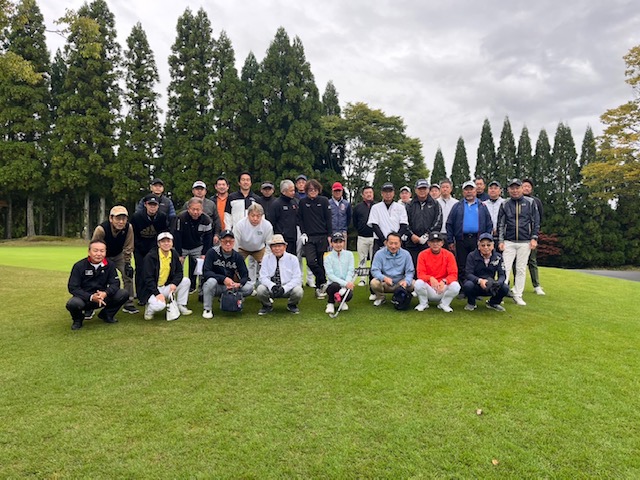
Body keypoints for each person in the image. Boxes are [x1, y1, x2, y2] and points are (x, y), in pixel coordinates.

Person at [66, 240, 128, 330]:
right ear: (89, 252)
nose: (99, 254)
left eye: (102, 251)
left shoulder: (110, 265)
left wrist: (105, 293)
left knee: (123, 293)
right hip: (85, 299)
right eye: (95, 251)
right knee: (73, 303)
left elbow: (115, 283)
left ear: (105, 252)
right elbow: (73, 287)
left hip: (102, 297)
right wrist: (91, 297)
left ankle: (106, 315)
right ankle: (78, 320)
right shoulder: (79, 266)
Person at [498, 178, 540, 306]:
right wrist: (501, 240)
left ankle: (518, 295)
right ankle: (500, 295)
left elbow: (535, 222)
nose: (515, 190)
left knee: (521, 269)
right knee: (505, 269)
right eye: (512, 188)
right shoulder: (505, 204)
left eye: (517, 188)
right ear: (508, 190)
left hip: (525, 241)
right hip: (509, 241)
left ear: (521, 189)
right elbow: (501, 224)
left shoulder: (530, 202)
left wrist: (534, 238)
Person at [91, 205, 138, 314]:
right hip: (103, 256)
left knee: (128, 274)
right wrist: (96, 263)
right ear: (111, 218)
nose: (121, 222)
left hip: (119, 255)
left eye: (124, 219)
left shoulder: (128, 228)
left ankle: (128, 302)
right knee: (97, 277)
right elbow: (94, 247)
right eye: (118, 218)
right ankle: (92, 304)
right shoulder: (101, 229)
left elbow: (128, 246)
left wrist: (127, 263)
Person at [446, 180, 492, 285]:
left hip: (478, 240)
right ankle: (463, 287)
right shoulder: (457, 206)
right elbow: (449, 224)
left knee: (477, 263)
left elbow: (489, 224)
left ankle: (477, 286)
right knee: (462, 264)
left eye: (471, 189)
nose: (469, 192)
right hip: (461, 239)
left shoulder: (482, 206)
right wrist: (450, 241)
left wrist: (486, 240)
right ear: (463, 192)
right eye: (466, 190)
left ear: (475, 191)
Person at [139, 232, 193, 320]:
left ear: (172, 243)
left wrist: (174, 283)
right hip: (151, 289)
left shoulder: (174, 254)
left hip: (166, 286)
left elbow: (179, 272)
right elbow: (147, 278)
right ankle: (149, 309)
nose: (166, 244)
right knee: (160, 306)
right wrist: (157, 293)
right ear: (158, 244)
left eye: (168, 241)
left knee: (186, 281)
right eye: (163, 241)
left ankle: (181, 305)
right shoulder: (150, 257)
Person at [201, 230, 253, 319]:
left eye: (230, 241)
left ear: (234, 242)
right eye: (225, 241)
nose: (228, 244)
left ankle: (230, 298)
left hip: (230, 286)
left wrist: (239, 284)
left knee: (249, 287)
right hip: (216, 285)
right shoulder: (212, 252)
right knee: (211, 282)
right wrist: (223, 279)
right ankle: (207, 309)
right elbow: (206, 272)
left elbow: (245, 275)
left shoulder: (237, 256)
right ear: (220, 242)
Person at [130, 194, 169, 302]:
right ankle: (141, 296)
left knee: (154, 271)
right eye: (150, 204)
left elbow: (163, 232)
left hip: (154, 249)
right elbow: (133, 234)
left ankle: (152, 293)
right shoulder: (137, 217)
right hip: (139, 249)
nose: (152, 207)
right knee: (140, 270)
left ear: (158, 206)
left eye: (155, 205)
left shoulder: (162, 217)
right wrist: (138, 246)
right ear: (145, 205)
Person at [173, 197, 215, 297]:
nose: (196, 212)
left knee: (203, 269)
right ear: (188, 209)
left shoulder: (206, 220)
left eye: (198, 209)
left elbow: (208, 238)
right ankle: (175, 291)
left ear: (202, 209)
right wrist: (179, 254)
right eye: (193, 209)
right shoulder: (180, 218)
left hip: (197, 247)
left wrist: (204, 253)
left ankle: (202, 292)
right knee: (176, 269)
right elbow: (177, 236)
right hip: (182, 246)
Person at [298, 179, 332, 298]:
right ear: (306, 191)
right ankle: (323, 280)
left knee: (321, 262)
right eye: (310, 189)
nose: (313, 191)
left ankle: (319, 288)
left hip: (322, 236)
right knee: (311, 261)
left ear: (318, 190)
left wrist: (330, 235)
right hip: (309, 237)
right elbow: (300, 219)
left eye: (315, 189)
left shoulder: (324, 201)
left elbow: (328, 219)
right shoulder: (302, 202)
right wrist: (303, 233)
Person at [256, 234, 304, 315]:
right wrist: (272, 286)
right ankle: (267, 305)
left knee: (298, 291)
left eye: (279, 246)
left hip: (287, 288)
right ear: (271, 248)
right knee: (260, 289)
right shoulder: (266, 258)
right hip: (272, 288)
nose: (277, 248)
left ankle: (292, 305)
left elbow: (297, 278)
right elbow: (263, 277)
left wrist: (284, 288)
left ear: (285, 247)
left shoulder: (293, 259)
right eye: (274, 246)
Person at [413, 231, 460, 312]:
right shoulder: (422, 254)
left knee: (456, 286)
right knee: (418, 283)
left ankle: (444, 304)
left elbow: (453, 274)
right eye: (432, 242)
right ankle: (423, 303)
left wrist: (444, 281)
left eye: (438, 242)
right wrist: (430, 278)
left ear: (442, 243)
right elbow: (420, 274)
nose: (435, 244)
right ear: (428, 243)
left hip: (442, 288)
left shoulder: (449, 255)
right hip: (429, 288)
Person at [463, 232, 509, 311]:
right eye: (483, 245)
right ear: (478, 246)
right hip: (476, 284)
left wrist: (497, 283)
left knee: (505, 288)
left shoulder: (498, 257)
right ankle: (471, 303)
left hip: (491, 284)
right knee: (468, 285)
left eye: (488, 245)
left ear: (493, 245)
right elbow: (468, 274)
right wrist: (479, 281)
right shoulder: (471, 256)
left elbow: (502, 275)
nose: (486, 247)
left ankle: (493, 303)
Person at [233, 203, 274, 287]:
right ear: (248, 215)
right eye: (253, 216)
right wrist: (235, 258)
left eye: (258, 216)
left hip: (259, 249)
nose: (255, 219)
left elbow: (269, 244)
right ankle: (236, 286)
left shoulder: (267, 225)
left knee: (268, 264)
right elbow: (235, 242)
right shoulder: (240, 224)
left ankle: (266, 286)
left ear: (262, 216)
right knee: (234, 266)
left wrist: (265, 259)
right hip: (242, 248)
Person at [404, 178, 443, 267]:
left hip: (429, 242)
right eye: (420, 188)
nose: (422, 191)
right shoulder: (409, 205)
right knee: (413, 267)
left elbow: (438, 222)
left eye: (424, 188)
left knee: (429, 267)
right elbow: (404, 222)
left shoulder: (435, 204)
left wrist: (426, 236)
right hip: (412, 242)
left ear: (428, 189)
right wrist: (412, 235)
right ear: (415, 190)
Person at [370, 232, 414, 307]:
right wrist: (384, 278)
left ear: (400, 243)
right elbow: (374, 270)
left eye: (396, 243)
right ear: (386, 243)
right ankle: (380, 297)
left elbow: (410, 271)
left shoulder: (406, 254)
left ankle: (402, 297)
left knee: (413, 283)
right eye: (391, 243)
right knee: (374, 283)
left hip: (400, 283)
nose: (393, 246)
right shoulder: (379, 254)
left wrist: (406, 281)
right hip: (385, 283)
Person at [367, 182, 409, 253]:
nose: (388, 194)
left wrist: (395, 240)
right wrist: (384, 240)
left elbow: (404, 225)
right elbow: (374, 225)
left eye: (390, 191)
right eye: (385, 192)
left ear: (393, 193)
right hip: (379, 241)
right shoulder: (375, 207)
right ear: (382, 193)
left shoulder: (400, 207)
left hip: (396, 243)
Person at [522, 178, 545, 295]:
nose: (526, 188)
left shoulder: (536, 201)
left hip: (530, 237)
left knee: (532, 261)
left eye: (528, 186)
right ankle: (517, 285)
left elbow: (539, 219)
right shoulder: (514, 201)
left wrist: (534, 236)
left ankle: (536, 285)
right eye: (524, 186)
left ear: (531, 189)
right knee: (517, 263)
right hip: (518, 236)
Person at [324, 232, 355, 314]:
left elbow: (350, 270)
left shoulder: (349, 254)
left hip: (345, 283)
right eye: (335, 242)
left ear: (344, 242)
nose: (338, 245)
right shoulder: (327, 257)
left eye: (340, 242)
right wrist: (345, 284)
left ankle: (341, 301)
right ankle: (330, 303)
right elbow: (330, 275)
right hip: (333, 284)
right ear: (331, 243)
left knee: (349, 295)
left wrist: (347, 284)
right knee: (334, 286)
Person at [352, 185, 376, 286]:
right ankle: (362, 279)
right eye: (366, 193)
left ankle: (373, 278)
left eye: (370, 192)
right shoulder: (358, 207)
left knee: (375, 259)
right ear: (363, 195)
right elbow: (355, 222)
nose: (369, 194)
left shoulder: (377, 206)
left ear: (373, 194)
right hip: (362, 237)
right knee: (362, 259)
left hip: (375, 237)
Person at [269, 179, 299, 255]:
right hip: (281, 239)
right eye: (291, 191)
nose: (293, 193)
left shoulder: (294, 202)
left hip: (293, 238)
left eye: (294, 190)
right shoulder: (276, 204)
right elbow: (272, 221)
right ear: (284, 191)